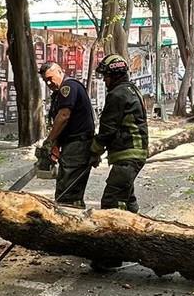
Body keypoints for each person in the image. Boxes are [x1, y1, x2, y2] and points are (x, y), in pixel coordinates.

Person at [90, 53, 149, 212]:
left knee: (112, 201)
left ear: (114, 75)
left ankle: (115, 234)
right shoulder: (131, 90)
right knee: (127, 197)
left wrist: (94, 151)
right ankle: (137, 230)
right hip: (133, 153)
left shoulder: (117, 94)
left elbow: (107, 129)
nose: (104, 80)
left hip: (127, 155)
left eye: (106, 76)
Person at [37, 60, 96, 206]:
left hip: (77, 145)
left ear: (60, 71)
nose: (49, 84)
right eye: (45, 81)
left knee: (68, 196)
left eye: (50, 79)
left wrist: (49, 142)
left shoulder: (68, 87)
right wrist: (55, 146)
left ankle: (72, 223)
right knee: (66, 190)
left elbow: (64, 116)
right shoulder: (59, 93)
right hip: (72, 144)